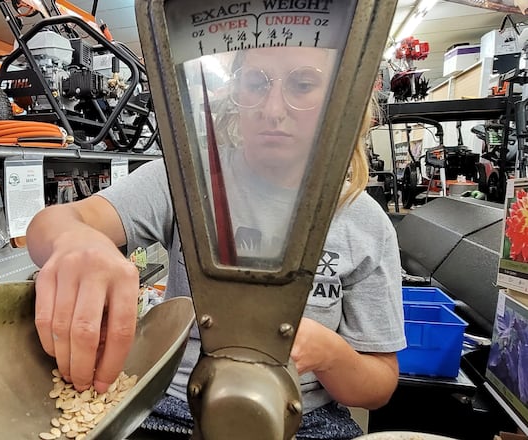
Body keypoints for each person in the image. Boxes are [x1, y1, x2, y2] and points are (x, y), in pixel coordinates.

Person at [26, 46, 406, 440]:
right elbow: (51, 224)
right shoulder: (185, 181)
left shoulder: (365, 222)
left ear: (341, 98)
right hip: (171, 409)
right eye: (256, 84)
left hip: (306, 420)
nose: (273, 109)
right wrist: (78, 241)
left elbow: (378, 385)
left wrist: (331, 354)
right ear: (235, 91)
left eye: (303, 84)